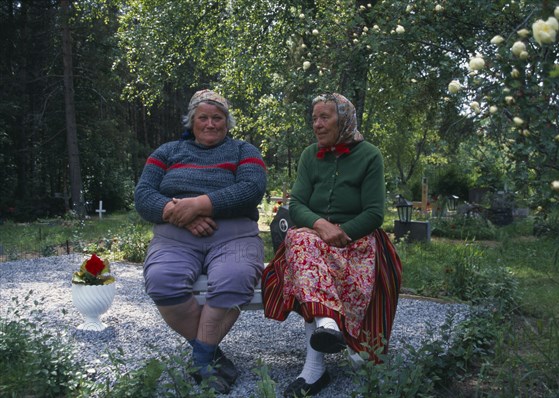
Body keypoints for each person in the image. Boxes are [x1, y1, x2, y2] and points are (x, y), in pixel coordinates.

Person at [262, 93, 402, 397]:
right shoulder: (309, 156)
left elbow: (375, 213)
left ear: (345, 119)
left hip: (358, 240)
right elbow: (297, 204)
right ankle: (324, 338)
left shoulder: (369, 155)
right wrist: (321, 225)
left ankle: (337, 341)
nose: (317, 124)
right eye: (314, 118)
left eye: (324, 117)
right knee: (298, 239)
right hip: (313, 240)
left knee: (307, 259)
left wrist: (342, 232)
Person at [134, 89, 267, 394]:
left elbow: (251, 189)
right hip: (176, 233)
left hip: (234, 234)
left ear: (227, 122)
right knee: (162, 279)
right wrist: (179, 212)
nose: (210, 124)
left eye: (217, 118)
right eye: (203, 117)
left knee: (234, 278)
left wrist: (198, 205)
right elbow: (143, 196)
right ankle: (208, 352)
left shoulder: (244, 151)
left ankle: (201, 358)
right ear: (191, 121)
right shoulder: (166, 152)